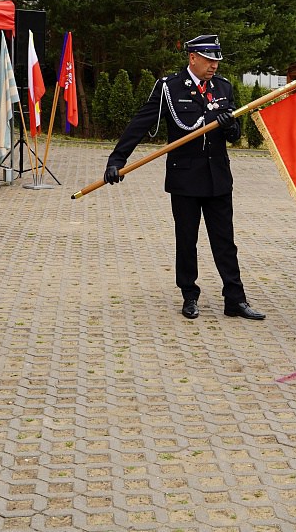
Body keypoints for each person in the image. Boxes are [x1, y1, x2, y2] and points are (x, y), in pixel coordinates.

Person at [104, 34, 265, 321]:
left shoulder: (224, 87)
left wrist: (229, 126)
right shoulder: (170, 87)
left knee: (225, 241)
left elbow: (236, 134)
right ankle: (189, 295)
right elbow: (141, 122)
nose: (214, 66)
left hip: (217, 178)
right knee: (187, 240)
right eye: (209, 60)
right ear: (193, 58)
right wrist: (117, 159)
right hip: (185, 179)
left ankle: (235, 299)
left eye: (217, 60)